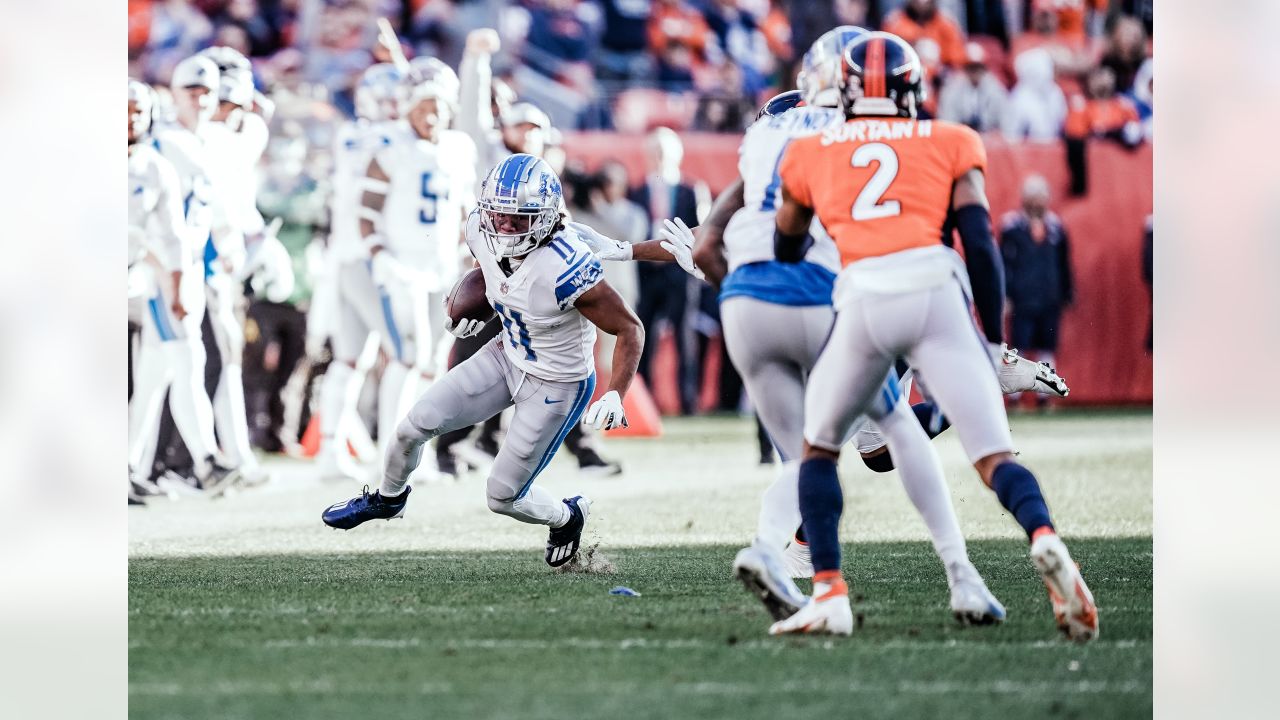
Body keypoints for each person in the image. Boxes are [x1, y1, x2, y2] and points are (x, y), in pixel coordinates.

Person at [693, 28, 1050, 626]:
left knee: (807, 456)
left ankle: (774, 551)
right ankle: (961, 573)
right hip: (828, 296)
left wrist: (729, 276)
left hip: (745, 302)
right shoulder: (853, 136)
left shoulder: (767, 132)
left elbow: (711, 242)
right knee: (893, 429)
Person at [766, 32, 1097, 641]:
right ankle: (1047, 540)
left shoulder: (812, 149)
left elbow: (785, 243)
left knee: (819, 451)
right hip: (937, 290)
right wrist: (992, 344)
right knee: (994, 458)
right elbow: (981, 244)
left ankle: (828, 589)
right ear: (912, 90)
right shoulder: (950, 139)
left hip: (865, 295)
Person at [321, 154, 645, 568]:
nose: (505, 227)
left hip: (557, 383)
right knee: (411, 427)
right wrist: (482, 306)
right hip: (508, 353)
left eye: (519, 219)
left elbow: (629, 328)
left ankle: (566, 517)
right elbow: (491, 270)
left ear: (545, 218)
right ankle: (388, 499)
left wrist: (616, 392)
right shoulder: (478, 226)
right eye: (499, 215)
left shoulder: (567, 265)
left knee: (502, 496)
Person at [353, 64, 478, 478]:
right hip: (402, 268)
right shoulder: (390, 144)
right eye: (423, 106)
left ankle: (415, 450)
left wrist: (469, 258)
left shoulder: (459, 148)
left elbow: (465, 214)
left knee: (432, 361)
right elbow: (366, 210)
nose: (431, 116)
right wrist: (379, 255)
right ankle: (391, 451)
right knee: (409, 356)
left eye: (438, 108)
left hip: (442, 270)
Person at [132, 62, 242, 497]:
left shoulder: (207, 140)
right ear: (173, 93)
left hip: (191, 263)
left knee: (155, 372)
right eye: (191, 90)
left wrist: (228, 244)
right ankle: (207, 461)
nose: (199, 98)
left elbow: (210, 210)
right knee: (186, 357)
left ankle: (126, 465)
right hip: (161, 266)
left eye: (207, 91)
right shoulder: (159, 141)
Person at [313, 63, 404, 483]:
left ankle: (331, 451)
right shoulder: (379, 137)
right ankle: (396, 451)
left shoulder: (350, 134)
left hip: (347, 255)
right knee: (405, 356)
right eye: (386, 99)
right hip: (369, 257)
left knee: (352, 359)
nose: (393, 107)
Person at [629, 127, 704, 415]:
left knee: (685, 337)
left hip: (680, 273)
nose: (659, 158)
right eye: (654, 152)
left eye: (664, 152)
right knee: (642, 336)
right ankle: (643, 402)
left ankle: (688, 403)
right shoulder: (636, 192)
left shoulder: (690, 191)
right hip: (646, 274)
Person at [1000, 175, 1074, 410]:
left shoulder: (1056, 227)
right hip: (1022, 298)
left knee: (1046, 347)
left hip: (1048, 297)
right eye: (1032, 197)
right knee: (1019, 347)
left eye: (1041, 196)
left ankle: (1044, 397)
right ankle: (1014, 399)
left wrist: (1067, 293)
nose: (1037, 202)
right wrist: (1005, 295)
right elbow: (1003, 263)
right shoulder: (1012, 227)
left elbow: (1064, 264)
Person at [936, 42, 1007, 133]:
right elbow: (946, 120)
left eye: (978, 67)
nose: (975, 72)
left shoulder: (995, 88)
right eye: (971, 67)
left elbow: (1004, 120)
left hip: (989, 136)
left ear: (984, 68)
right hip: (961, 134)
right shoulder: (952, 88)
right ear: (964, 68)